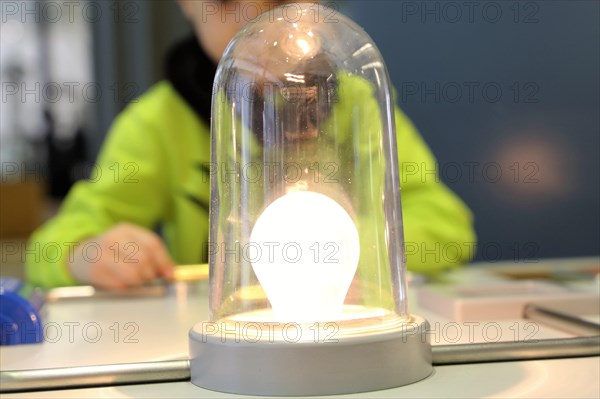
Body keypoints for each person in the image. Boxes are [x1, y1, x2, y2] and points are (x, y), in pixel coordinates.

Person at [26, 0, 476, 290]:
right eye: (227, 1)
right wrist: (87, 254)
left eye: (281, 2)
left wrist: (335, 250)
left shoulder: (357, 101)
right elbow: (46, 248)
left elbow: (446, 225)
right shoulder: (157, 122)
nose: (262, 24)